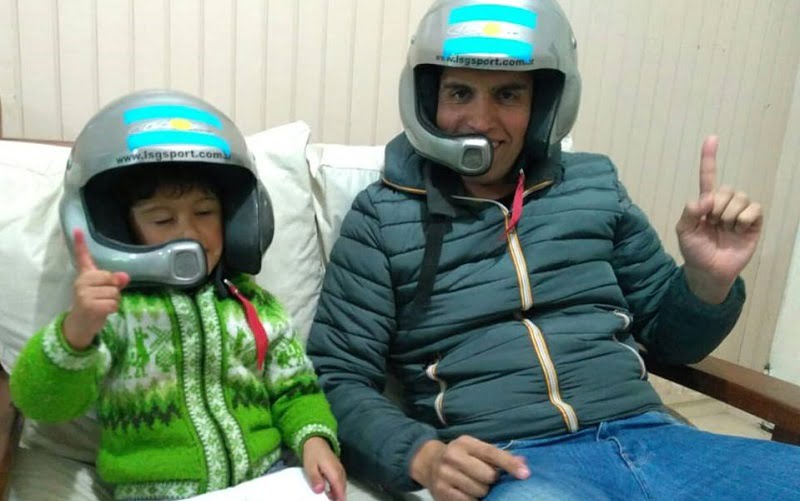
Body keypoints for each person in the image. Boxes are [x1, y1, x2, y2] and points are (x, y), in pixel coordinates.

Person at [307, 1, 800, 500]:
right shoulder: (382, 217)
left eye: (508, 94)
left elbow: (671, 341)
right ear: (427, 98)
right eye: (459, 92)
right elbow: (338, 375)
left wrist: (707, 281)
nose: (479, 119)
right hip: (516, 464)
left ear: (544, 105)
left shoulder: (595, 185)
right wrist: (422, 455)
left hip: (654, 437)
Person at [10, 90, 346, 501]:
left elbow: (295, 389)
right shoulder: (113, 315)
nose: (189, 232)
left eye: (205, 213)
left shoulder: (254, 307)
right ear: (121, 228)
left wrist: (313, 439)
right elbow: (41, 403)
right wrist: (75, 333)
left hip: (264, 481)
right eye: (163, 219)